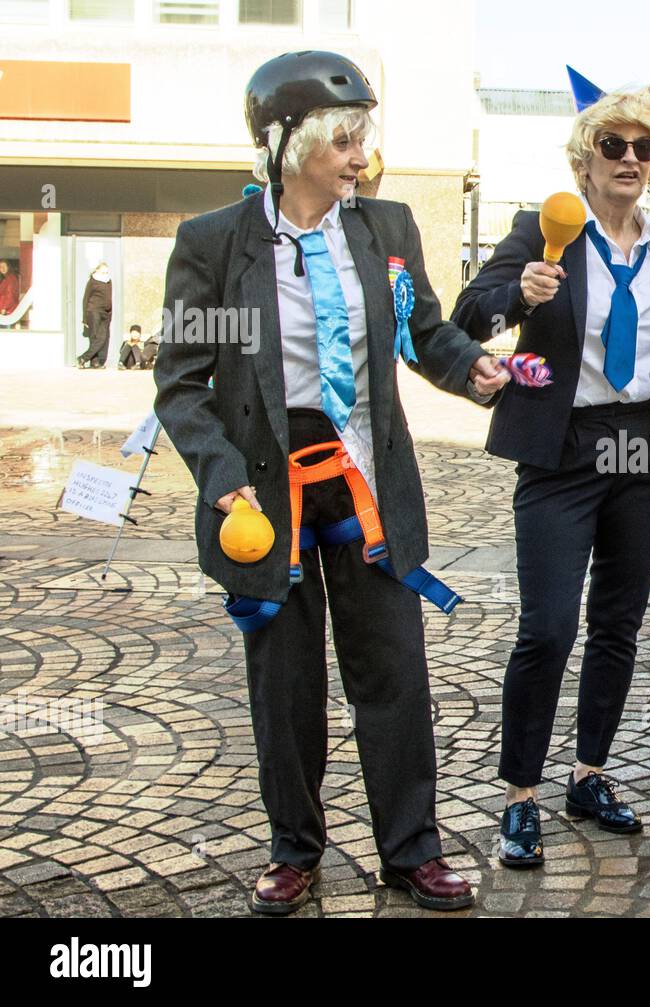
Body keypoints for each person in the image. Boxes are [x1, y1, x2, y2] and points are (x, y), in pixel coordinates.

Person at [153, 51, 508, 915]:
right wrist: (224, 481)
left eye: (362, 140)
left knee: (393, 668)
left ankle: (411, 849)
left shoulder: (383, 229)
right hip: (265, 491)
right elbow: (181, 381)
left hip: (364, 484)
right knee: (286, 684)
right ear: (287, 142)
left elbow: (425, 333)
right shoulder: (215, 244)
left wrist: (476, 371)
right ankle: (294, 849)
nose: (360, 157)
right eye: (343, 141)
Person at [452, 82, 650, 869]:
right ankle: (519, 796)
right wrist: (518, 291)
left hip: (643, 448)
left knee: (619, 621)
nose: (633, 159)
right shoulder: (544, 232)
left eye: (646, 148)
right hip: (564, 449)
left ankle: (590, 774)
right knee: (547, 627)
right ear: (583, 159)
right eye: (616, 145)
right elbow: (468, 316)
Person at [77, 263, 112, 368]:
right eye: (103, 272)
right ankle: (89, 360)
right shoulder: (92, 282)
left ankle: (89, 360)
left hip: (106, 313)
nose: (105, 274)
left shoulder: (108, 281)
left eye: (106, 272)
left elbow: (109, 298)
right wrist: (84, 318)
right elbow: (85, 299)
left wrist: (110, 314)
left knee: (104, 337)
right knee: (96, 337)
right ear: (97, 271)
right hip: (93, 311)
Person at [0, 261, 18, 326]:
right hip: (7, 310)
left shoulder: (10, 278)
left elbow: (10, 294)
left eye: (4, 266)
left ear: (8, 267)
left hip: (7, 311)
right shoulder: (7, 278)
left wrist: (4, 308)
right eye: (0, 267)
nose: (2, 268)